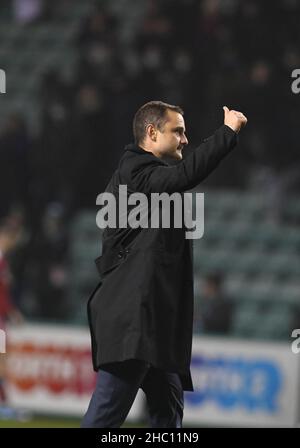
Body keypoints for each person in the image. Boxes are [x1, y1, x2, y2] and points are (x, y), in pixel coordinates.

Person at [82, 101, 247, 428]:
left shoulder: (150, 180)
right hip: (134, 319)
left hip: (153, 321)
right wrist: (227, 132)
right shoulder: (135, 170)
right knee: (106, 416)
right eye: (178, 131)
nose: (185, 139)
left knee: (167, 411)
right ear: (152, 133)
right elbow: (185, 176)